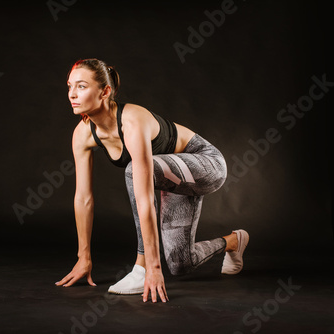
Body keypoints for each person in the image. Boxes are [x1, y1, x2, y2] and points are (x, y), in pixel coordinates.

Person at [55, 58, 249, 303]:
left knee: (133, 170)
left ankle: (140, 267)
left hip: (206, 165)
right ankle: (234, 241)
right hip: (170, 179)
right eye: (69, 86)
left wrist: (152, 268)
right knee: (180, 263)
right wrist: (84, 257)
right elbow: (83, 198)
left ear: (104, 91)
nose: (72, 94)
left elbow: (145, 195)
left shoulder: (132, 121)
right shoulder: (82, 134)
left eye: (81, 86)